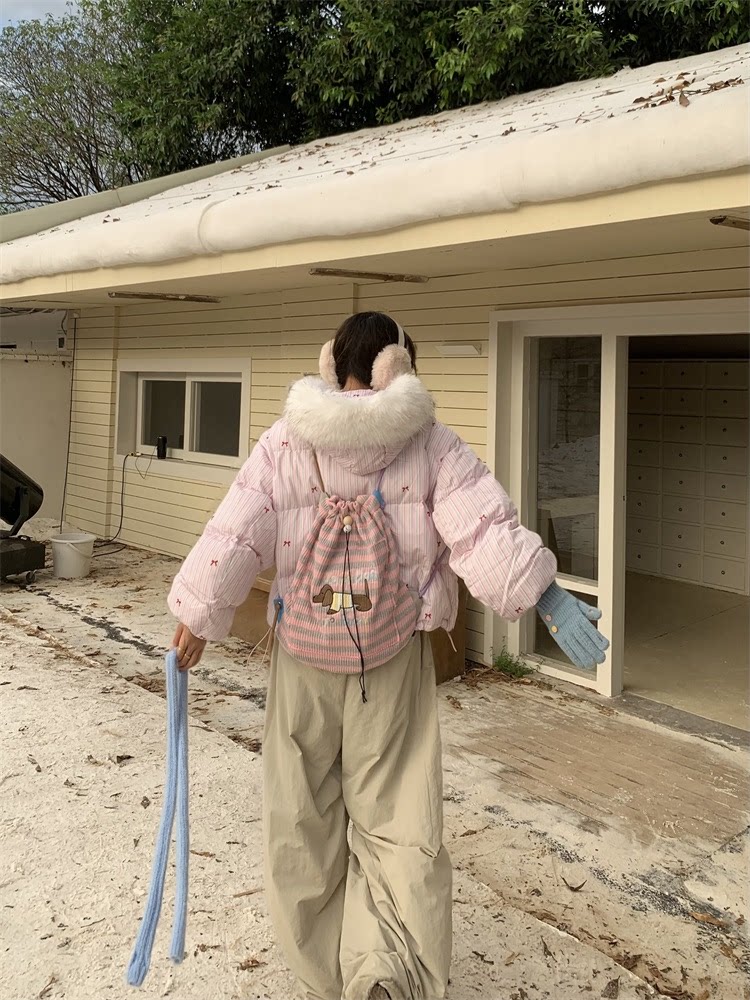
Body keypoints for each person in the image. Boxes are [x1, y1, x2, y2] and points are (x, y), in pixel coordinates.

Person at [167, 311, 609, 1000]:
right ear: (397, 367)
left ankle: (324, 970)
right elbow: (483, 531)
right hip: (393, 658)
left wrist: (198, 615)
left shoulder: (286, 440)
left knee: (301, 818)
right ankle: (385, 972)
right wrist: (544, 595)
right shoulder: (430, 443)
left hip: (303, 661)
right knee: (398, 821)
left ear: (332, 365)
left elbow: (236, 531)